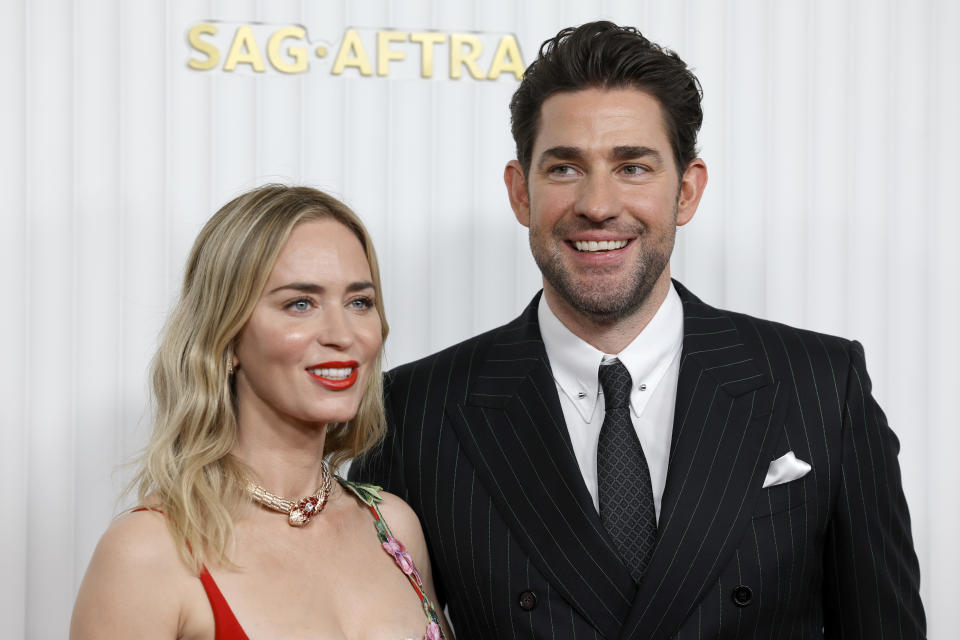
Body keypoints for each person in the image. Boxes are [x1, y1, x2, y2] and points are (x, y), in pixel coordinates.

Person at [350, 21, 926, 638]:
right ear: (521, 193)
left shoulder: (820, 387)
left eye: (633, 168)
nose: (598, 204)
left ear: (687, 191)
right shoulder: (413, 412)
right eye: (566, 168)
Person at [71, 185, 452, 640]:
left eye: (359, 302)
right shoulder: (148, 553)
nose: (342, 334)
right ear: (227, 337)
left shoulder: (393, 525)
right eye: (300, 303)